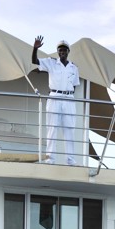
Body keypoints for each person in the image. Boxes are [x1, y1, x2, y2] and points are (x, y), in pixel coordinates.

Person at [32, 36, 80, 165]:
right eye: (60, 50)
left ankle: (70, 160)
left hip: (69, 98)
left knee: (69, 129)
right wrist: (35, 48)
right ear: (57, 52)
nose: (62, 52)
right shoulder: (51, 62)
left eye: (64, 50)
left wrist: (67, 93)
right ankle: (50, 159)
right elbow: (35, 61)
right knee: (52, 128)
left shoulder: (73, 68)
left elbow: (74, 85)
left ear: (68, 51)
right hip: (54, 96)